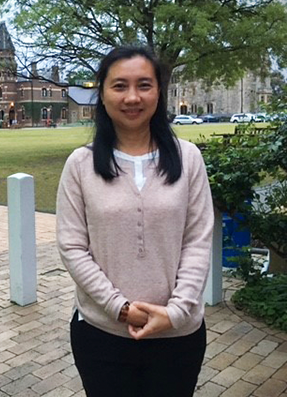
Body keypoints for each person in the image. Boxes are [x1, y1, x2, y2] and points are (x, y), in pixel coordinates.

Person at [56, 46, 214, 397]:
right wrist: (121, 309)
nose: (132, 97)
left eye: (144, 85)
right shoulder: (80, 165)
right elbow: (72, 247)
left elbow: (198, 240)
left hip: (178, 335)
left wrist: (175, 312)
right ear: (102, 93)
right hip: (102, 335)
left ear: (159, 90)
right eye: (119, 86)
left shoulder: (189, 158)